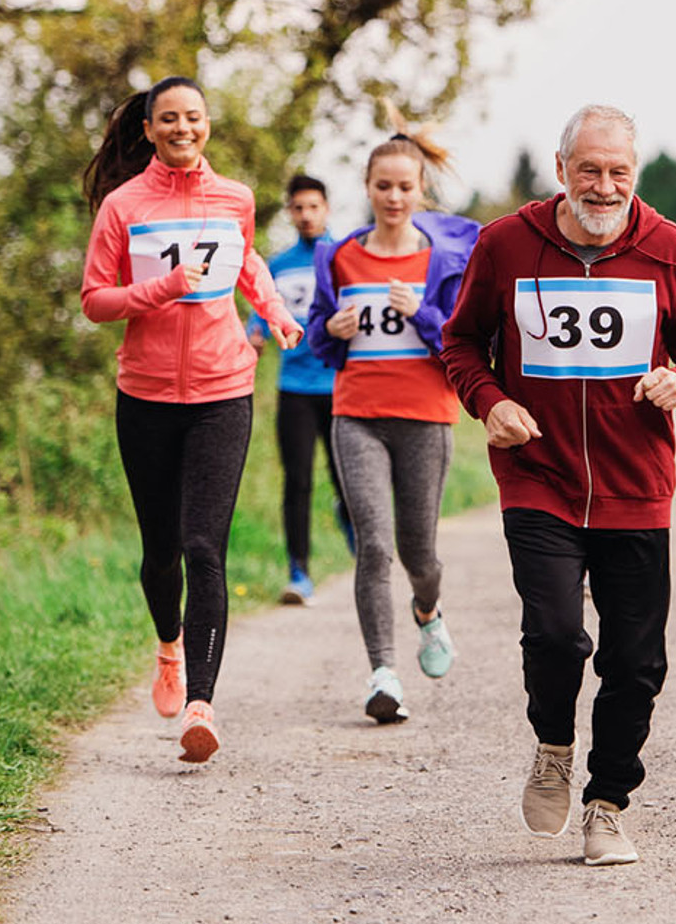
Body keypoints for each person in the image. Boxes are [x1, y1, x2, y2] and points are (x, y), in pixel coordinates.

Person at [441, 105, 676, 867]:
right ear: (562, 168)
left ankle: (607, 804)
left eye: (619, 173)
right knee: (555, 633)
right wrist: (490, 401)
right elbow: (462, 340)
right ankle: (554, 743)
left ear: (635, 177)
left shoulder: (671, 251)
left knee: (636, 660)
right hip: (538, 475)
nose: (603, 187)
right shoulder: (506, 243)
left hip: (636, 484)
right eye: (590, 170)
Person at [80, 76, 303, 763]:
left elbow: (247, 261)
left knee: (206, 546)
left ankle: (201, 706)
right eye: (169, 118)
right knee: (161, 552)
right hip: (145, 395)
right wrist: (163, 288)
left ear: (207, 124)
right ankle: (169, 646)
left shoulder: (234, 196)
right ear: (148, 129)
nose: (183, 127)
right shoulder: (123, 206)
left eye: (194, 117)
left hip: (222, 388)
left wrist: (275, 309)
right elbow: (95, 299)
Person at [307, 113, 480, 723]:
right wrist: (330, 328)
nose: (394, 197)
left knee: (419, 553)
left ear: (420, 189)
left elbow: (461, 343)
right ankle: (383, 672)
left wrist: (425, 315)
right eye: (384, 186)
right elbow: (319, 342)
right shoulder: (341, 256)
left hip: (425, 419)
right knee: (374, 546)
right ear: (368, 187)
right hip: (357, 416)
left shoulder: (442, 259)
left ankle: (428, 611)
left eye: (405, 187)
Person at [246, 174, 353, 606]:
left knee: (347, 481)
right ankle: (299, 573)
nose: (306, 215)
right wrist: (254, 334)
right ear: (289, 212)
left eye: (313, 207)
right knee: (298, 482)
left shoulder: (346, 258)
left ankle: (361, 549)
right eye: (298, 208)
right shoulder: (278, 265)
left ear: (326, 208)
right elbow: (260, 315)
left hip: (341, 385)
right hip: (294, 388)